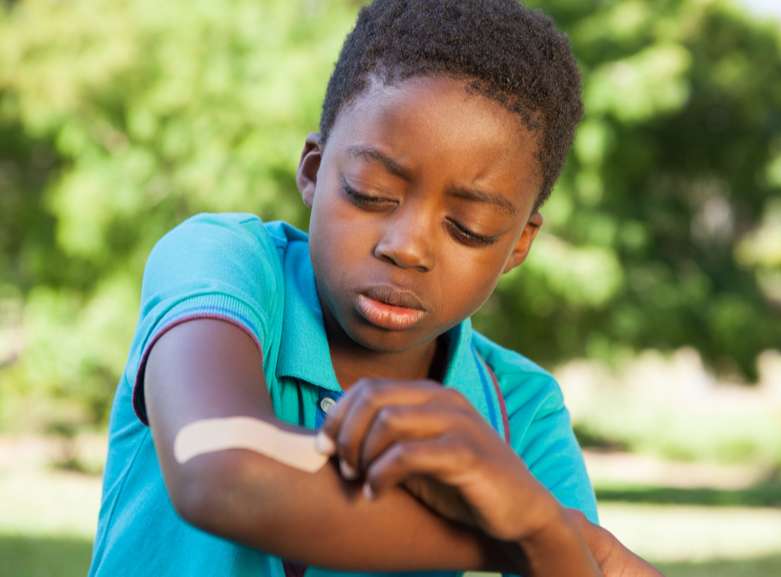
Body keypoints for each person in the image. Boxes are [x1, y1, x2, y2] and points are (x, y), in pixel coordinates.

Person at [87, 1, 664, 576]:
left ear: (518, 244)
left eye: (470, 228)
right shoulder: (224, 263)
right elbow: (216, 467)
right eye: (371, 193)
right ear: (313, 171)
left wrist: (539, 529)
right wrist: (527, 534)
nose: (407, 247)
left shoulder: (520, 411)